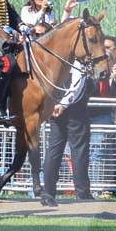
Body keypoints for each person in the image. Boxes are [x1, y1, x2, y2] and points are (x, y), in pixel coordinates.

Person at [37, 38, 93, 207]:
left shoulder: (56, 59)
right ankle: (82, 192)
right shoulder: (77, 61)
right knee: (79, 151)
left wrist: (53, 104)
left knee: (54, 150)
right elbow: (77, 85)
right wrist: (64, 104)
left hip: (56, 108)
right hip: (74, 110)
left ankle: (48, 192)